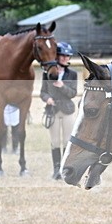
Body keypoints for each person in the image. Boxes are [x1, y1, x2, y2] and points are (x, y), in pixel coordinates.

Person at [40, 42, 78, 179]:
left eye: (67, 56)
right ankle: (56, 169)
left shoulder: (72, 74)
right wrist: (47, 98)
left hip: (67, 110)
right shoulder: (47, 73)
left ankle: (65, 168)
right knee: (55, 141)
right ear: (57, 56)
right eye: (62, 56)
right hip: (53, 110)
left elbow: (73, 93)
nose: (65, 58)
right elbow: (42, 92)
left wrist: (62, 86)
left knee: (68, 141)